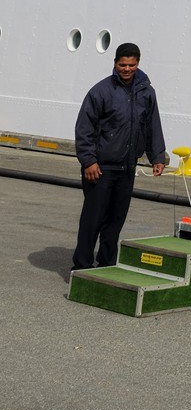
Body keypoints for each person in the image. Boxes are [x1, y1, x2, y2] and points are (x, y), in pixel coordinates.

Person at [72, 43, 166, 272]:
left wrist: (157, 156)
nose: (127, 69)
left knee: (115, 220)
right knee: (93, 219)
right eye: (122, 64)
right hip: (101, 167)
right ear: (115, 63)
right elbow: (84, 128)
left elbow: (152, 125)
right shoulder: (101, 91)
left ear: (138, 63)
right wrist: (89, 161)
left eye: (131, 65)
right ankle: (82, 266)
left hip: (127, 167)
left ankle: (106, 264)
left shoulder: (146, 92)